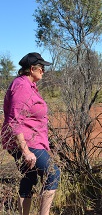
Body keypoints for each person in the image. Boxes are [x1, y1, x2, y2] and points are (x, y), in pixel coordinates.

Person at [1, 52, 61, 215]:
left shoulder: (28, 85)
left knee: (29, 178)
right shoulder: (22, 86)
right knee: (53, 173)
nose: (43, 71)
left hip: (30, 141)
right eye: (41, 68)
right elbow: (15, 119)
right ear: (32, 68)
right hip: (26, 143)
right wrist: (26, 151)